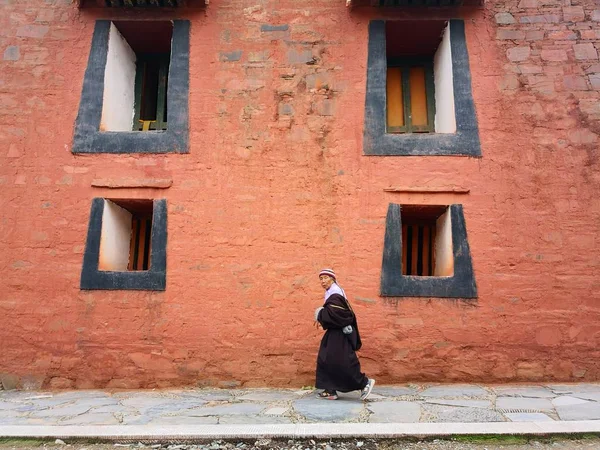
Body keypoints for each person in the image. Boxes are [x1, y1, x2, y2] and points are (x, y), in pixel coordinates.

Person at [314, 268, 375, 401]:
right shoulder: (331, 293)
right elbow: (334, 313)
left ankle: (364, 383)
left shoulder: (336, 294)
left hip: (340, 334)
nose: (323, 281)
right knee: (326, 358)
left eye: (325, 278)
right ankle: (330, 390)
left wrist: (320, 314)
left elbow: (339, 315)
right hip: (334, 332)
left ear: (332, 279)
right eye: (321, 278)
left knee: (343, 361)